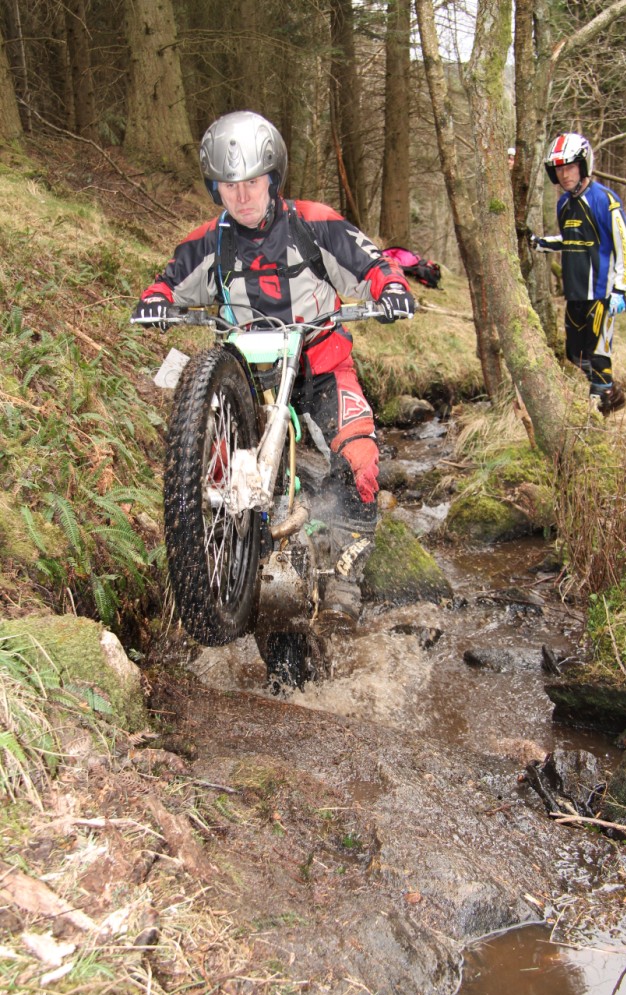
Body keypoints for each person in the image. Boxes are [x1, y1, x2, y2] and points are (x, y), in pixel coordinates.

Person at [133, 110, 415, 628]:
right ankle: (228, 570)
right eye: (229, 185)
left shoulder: (314, 223)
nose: (242, 196)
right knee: (209, 467)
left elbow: (373, 265)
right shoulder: (209, 241)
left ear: (273, 178)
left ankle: (347, 572)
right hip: (248, 377)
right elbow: (168, 282)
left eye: (252, 182)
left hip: (321, 362)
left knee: (359, 458)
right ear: (215, 188)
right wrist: (156, 301)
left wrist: (391, 288)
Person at [530, 132, 626, 414]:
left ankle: (598, 414)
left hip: (602, 294)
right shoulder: (564, 203)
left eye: (571, 167)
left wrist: (621, 289)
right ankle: (612, 391)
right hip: (574, 293)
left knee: (598, 356)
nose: (565, 175)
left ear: (584, 165)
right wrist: (539, 243)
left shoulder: (604, 199)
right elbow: (570, 239)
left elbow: (624, 245)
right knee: (574, 354)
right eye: (559, 169)